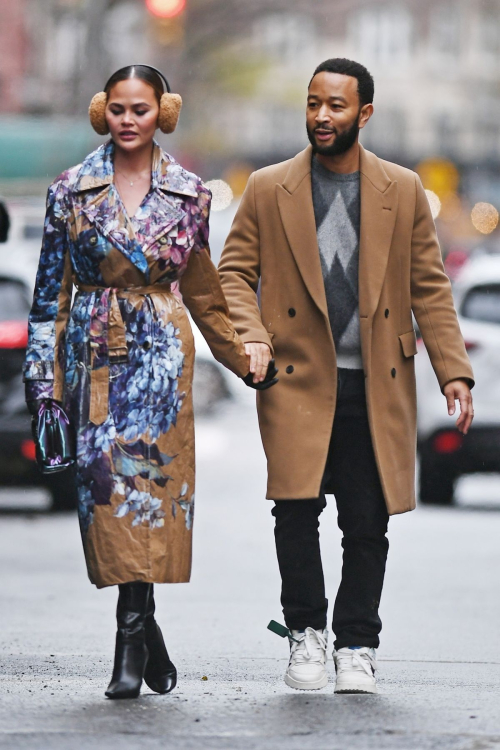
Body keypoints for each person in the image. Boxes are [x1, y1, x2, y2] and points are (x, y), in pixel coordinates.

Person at [218, 58, 474, 694]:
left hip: (375, 379)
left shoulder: (404, 188)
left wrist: (453, 372)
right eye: (313, 104)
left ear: (363, 113)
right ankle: (306, 635)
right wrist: (251, 337)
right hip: (295, 377)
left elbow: (429, 287)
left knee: (367, 521)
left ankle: (357, 642)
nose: (321, 116)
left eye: (335, 106)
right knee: (295, 509)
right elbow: (232, 274)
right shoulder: (267, 186)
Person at [23, 64, 276, 700]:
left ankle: (130, 639)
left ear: (162, 111)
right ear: (100, 112)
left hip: (162, 360)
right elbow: (47, 294)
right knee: (108, 501)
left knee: (152, 498)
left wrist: (242, 356)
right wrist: (44, 379)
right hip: (95, 360)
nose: (128, 120)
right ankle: (146, 632)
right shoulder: (70, 190)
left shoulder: (190, 193)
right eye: (117, 109)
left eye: (140, 109)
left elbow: (204, 290)